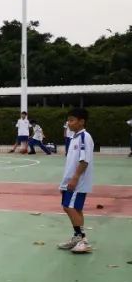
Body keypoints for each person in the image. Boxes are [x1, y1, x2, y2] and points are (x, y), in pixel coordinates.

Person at [57, 108, 95, 254]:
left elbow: (84, 161)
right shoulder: (74, 138)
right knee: (75, 208)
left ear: (81, 122)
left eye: (72, 120)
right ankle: (77, 237)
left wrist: (74, 179)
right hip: (70, 181)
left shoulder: (85, 137)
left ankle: (82, 239)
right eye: (68, 120)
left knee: (69, 207)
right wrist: (64, 182)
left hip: (78, 181)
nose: (69, 123)